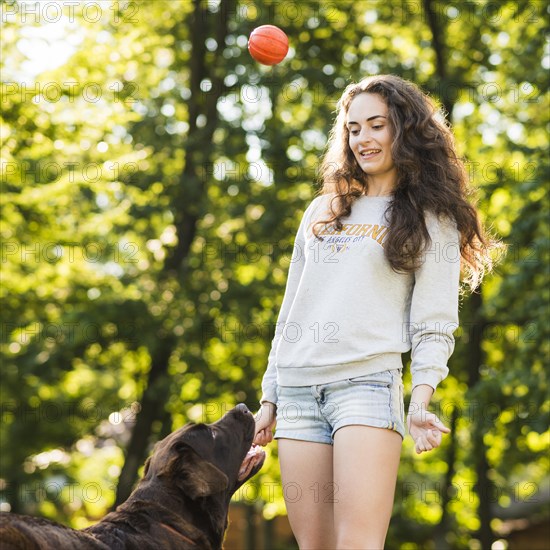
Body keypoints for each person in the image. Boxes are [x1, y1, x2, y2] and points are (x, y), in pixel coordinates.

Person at [253, 74, 495, 549]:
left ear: (403, 131)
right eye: (353, 128)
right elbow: (292, 313)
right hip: (300, 390)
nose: (363, 138)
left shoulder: (432, 218)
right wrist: (270, 398)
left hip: (365, 388)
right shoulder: (322, 210)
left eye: (376, 125)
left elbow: (435, 323)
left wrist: (421, 397)